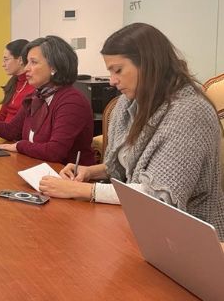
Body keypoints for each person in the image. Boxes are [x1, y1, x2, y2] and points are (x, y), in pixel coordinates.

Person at [38, 23, 224, 239]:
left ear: (149, 65)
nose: (112, 81)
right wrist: (91, 172)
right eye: (110, 71)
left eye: (118, 70)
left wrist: (81, 190)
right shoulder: (128, 105)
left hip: (191, 237)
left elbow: (159, 197)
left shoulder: (189, 112)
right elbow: (124, 167)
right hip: (140, 223)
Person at [0, 35, 95, 165]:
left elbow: (54, 151)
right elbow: (10, 131)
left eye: (33, 62)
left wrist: (19, 146)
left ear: (54, 67)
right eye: (27, 63)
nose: (26, 68)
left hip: (67, 180)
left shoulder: (71, 102)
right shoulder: (36, 97)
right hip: (36, 168)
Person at [0, 39, 35, 123]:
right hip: (4, 132)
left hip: (13, 134)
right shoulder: (13, 83)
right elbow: (1, 117)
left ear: (20, 60)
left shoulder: (34, 87)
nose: (3, 64)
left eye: (6, 59)